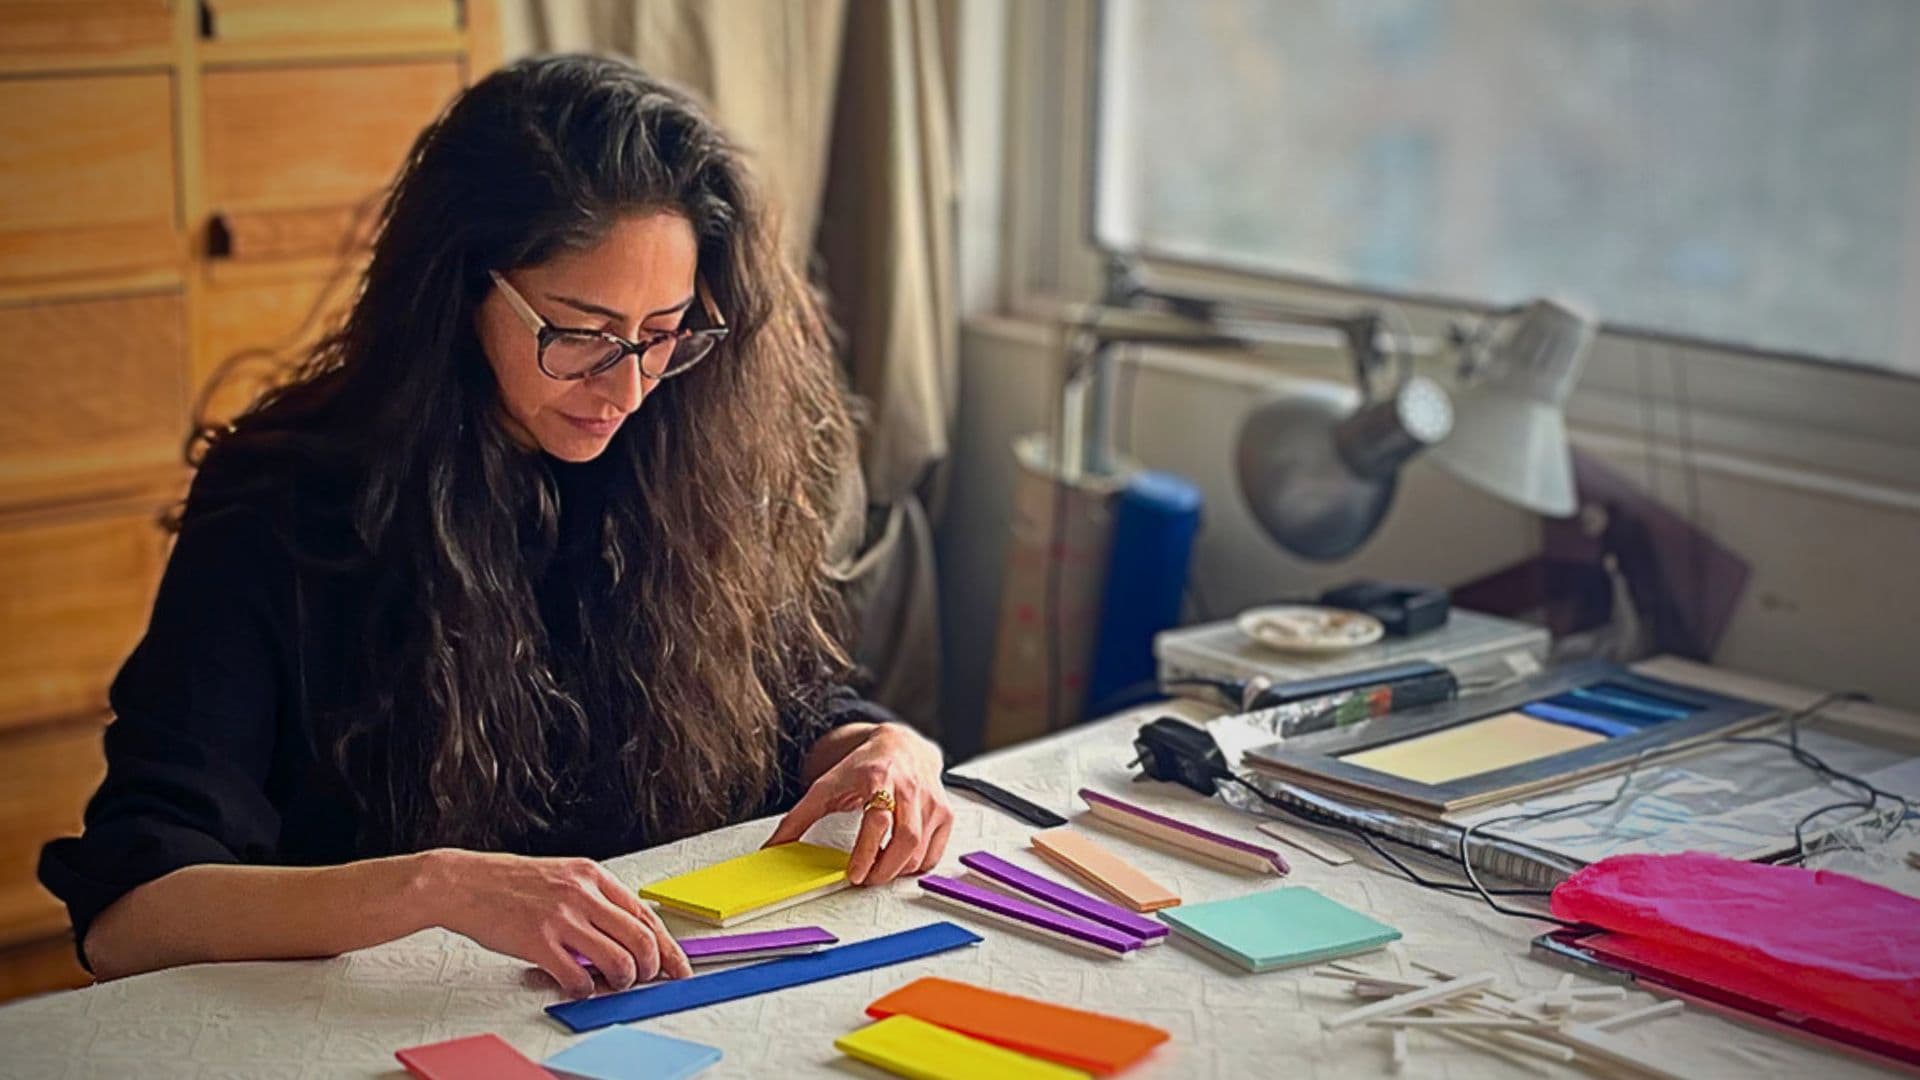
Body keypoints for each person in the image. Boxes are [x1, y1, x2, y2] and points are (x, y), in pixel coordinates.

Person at [38, 54, 951, 997]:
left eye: (665, 329)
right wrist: (433, 886)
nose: (627, 386)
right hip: (369, 1024)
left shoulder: (684, 452)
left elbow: (787, 707)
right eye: (579, 331)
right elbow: (129, 915)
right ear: (461, 292)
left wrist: (888, 753)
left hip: (632, 1010)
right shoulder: (280, 506)